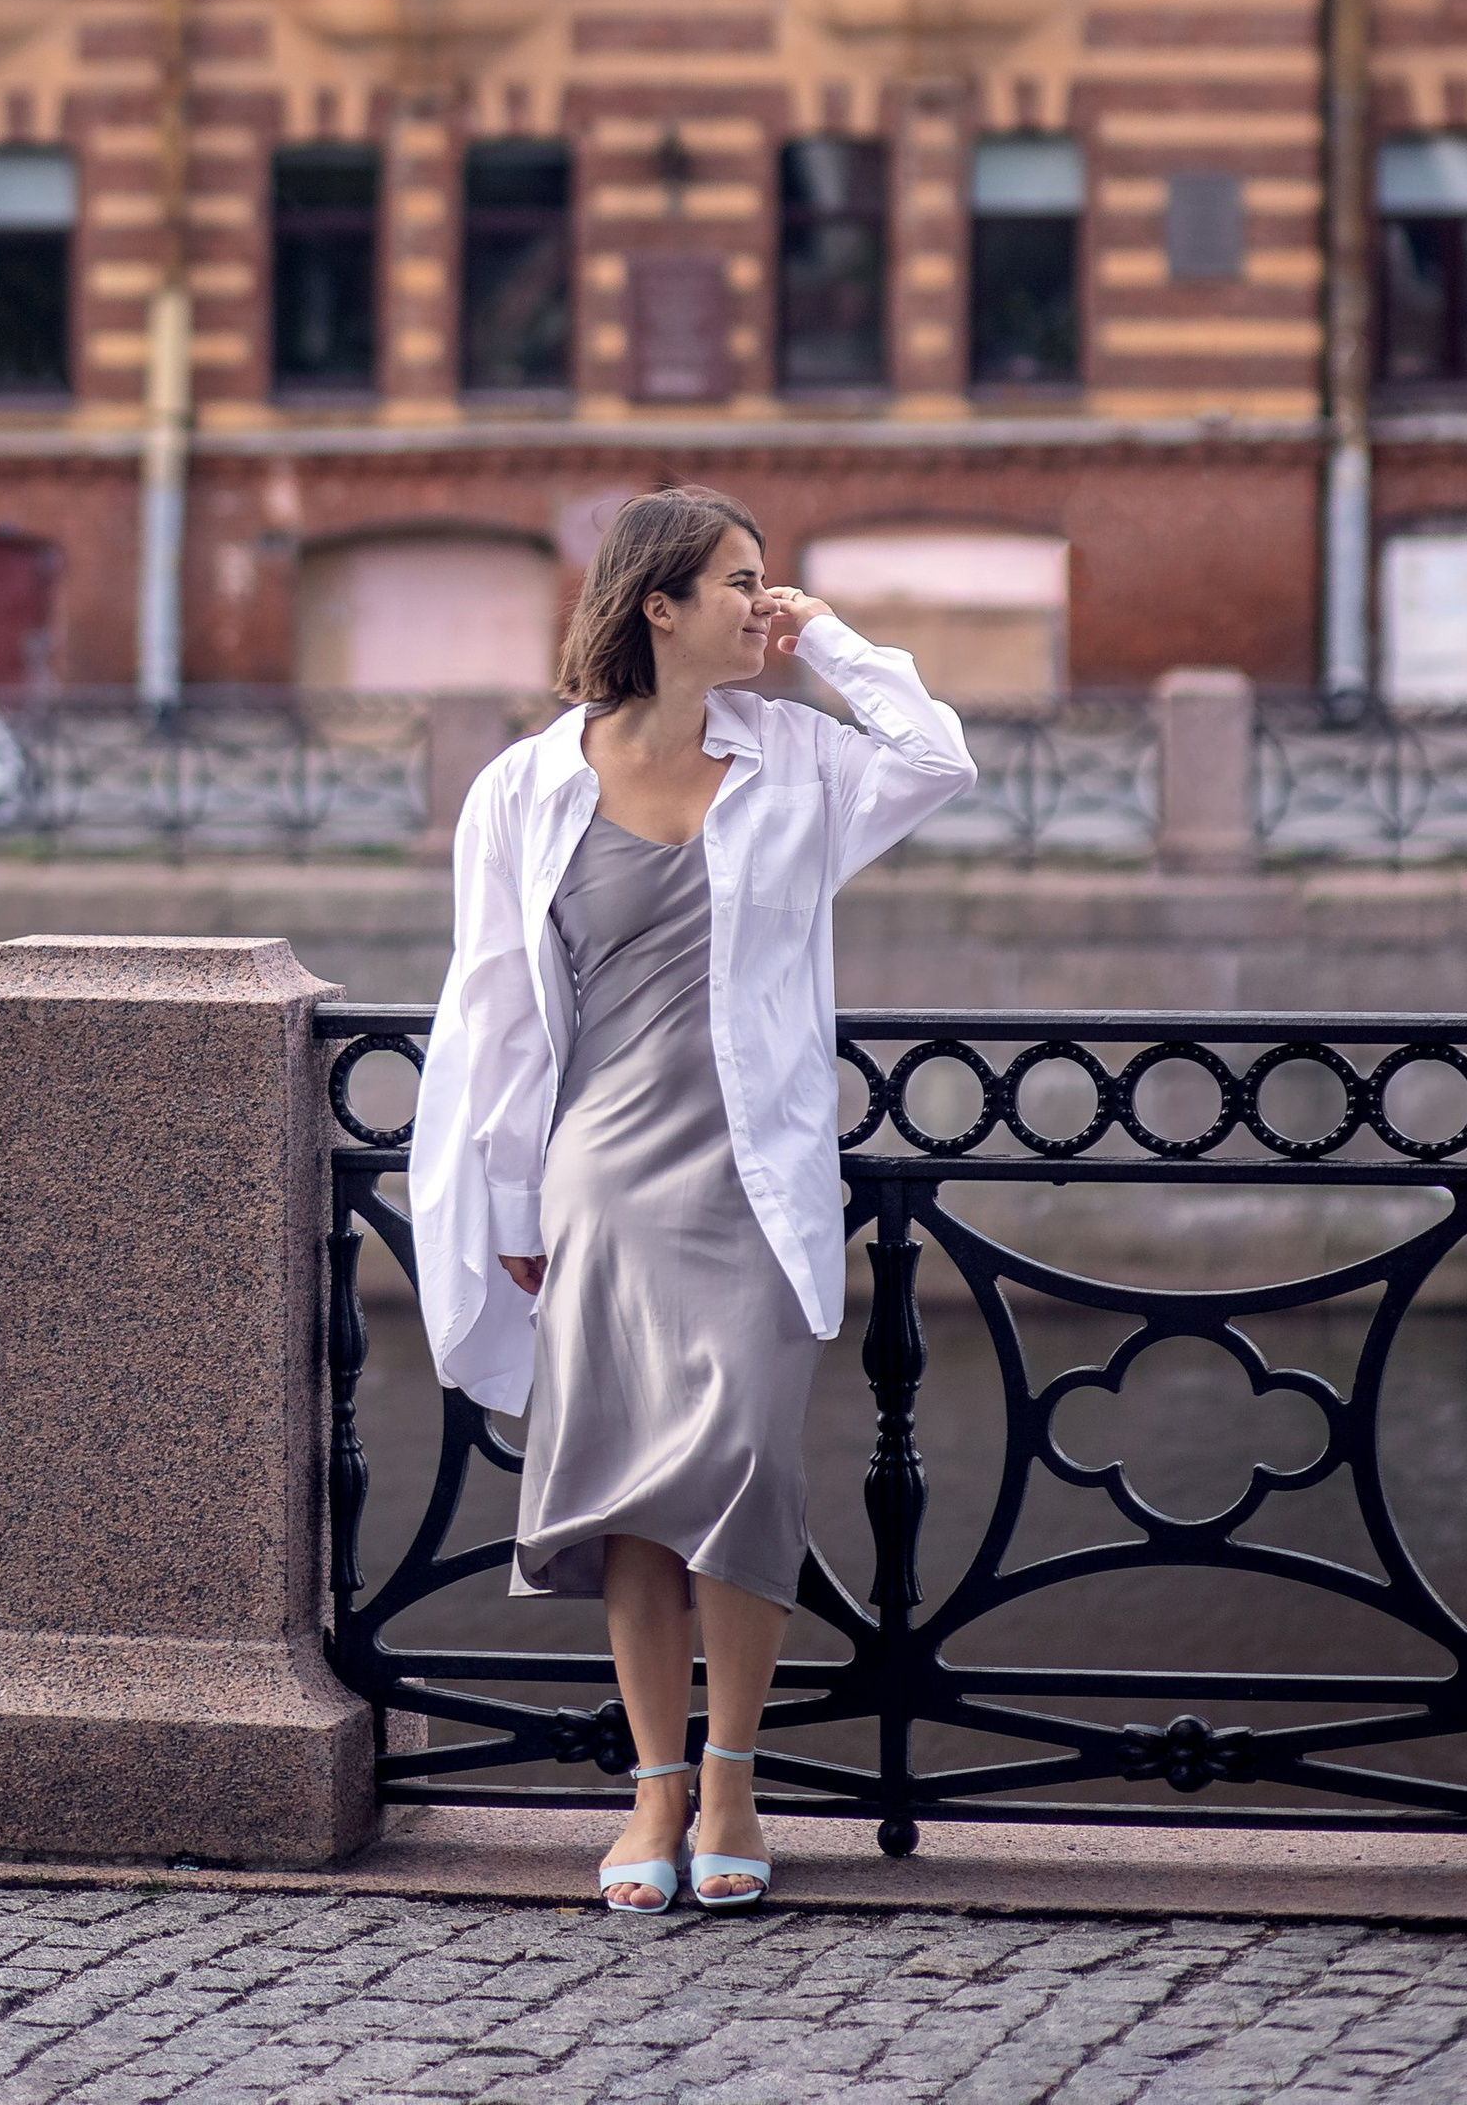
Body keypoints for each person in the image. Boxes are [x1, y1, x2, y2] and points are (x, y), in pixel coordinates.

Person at [409, 486, 973, 1913]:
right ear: (656, 605)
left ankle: (735, 1780)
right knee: (633, 1496)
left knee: (739, 1473)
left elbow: (940, 756)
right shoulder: (527, 787)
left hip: (751, 1173)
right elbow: (494, 1015)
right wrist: (513, 1208)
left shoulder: (802, 765)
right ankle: (653, 1796)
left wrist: (833, 639)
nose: (758, 601)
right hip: (599, 1177)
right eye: (735, 581)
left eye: (767, 578)